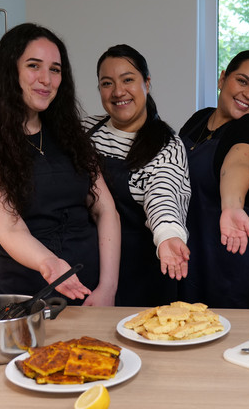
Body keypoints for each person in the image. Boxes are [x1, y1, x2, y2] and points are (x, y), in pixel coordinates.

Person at [0, 23, 121, 306]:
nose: (46, 79)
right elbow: (10, 229)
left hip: (92, 294)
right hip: (27, 296)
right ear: (9, 70)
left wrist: (108, 287)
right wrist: (49, 263)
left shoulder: (69, 134)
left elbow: (105, 209)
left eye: (55, 69)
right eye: (33, 65)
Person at [83, 44, 191, 307]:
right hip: (90, 271)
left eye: (128, 80)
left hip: (142, 275)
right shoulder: (84, 131)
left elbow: (163, 194)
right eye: (107, 83)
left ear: (147, 82)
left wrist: (168, 235)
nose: (118, 92)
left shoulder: (167, 146)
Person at [178, 50, 249, 308]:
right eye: (242, 81)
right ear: (223, 79)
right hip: (192, 251)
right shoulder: (198, 120)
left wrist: (232, 207)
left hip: (234, 256)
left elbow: (237, 163)